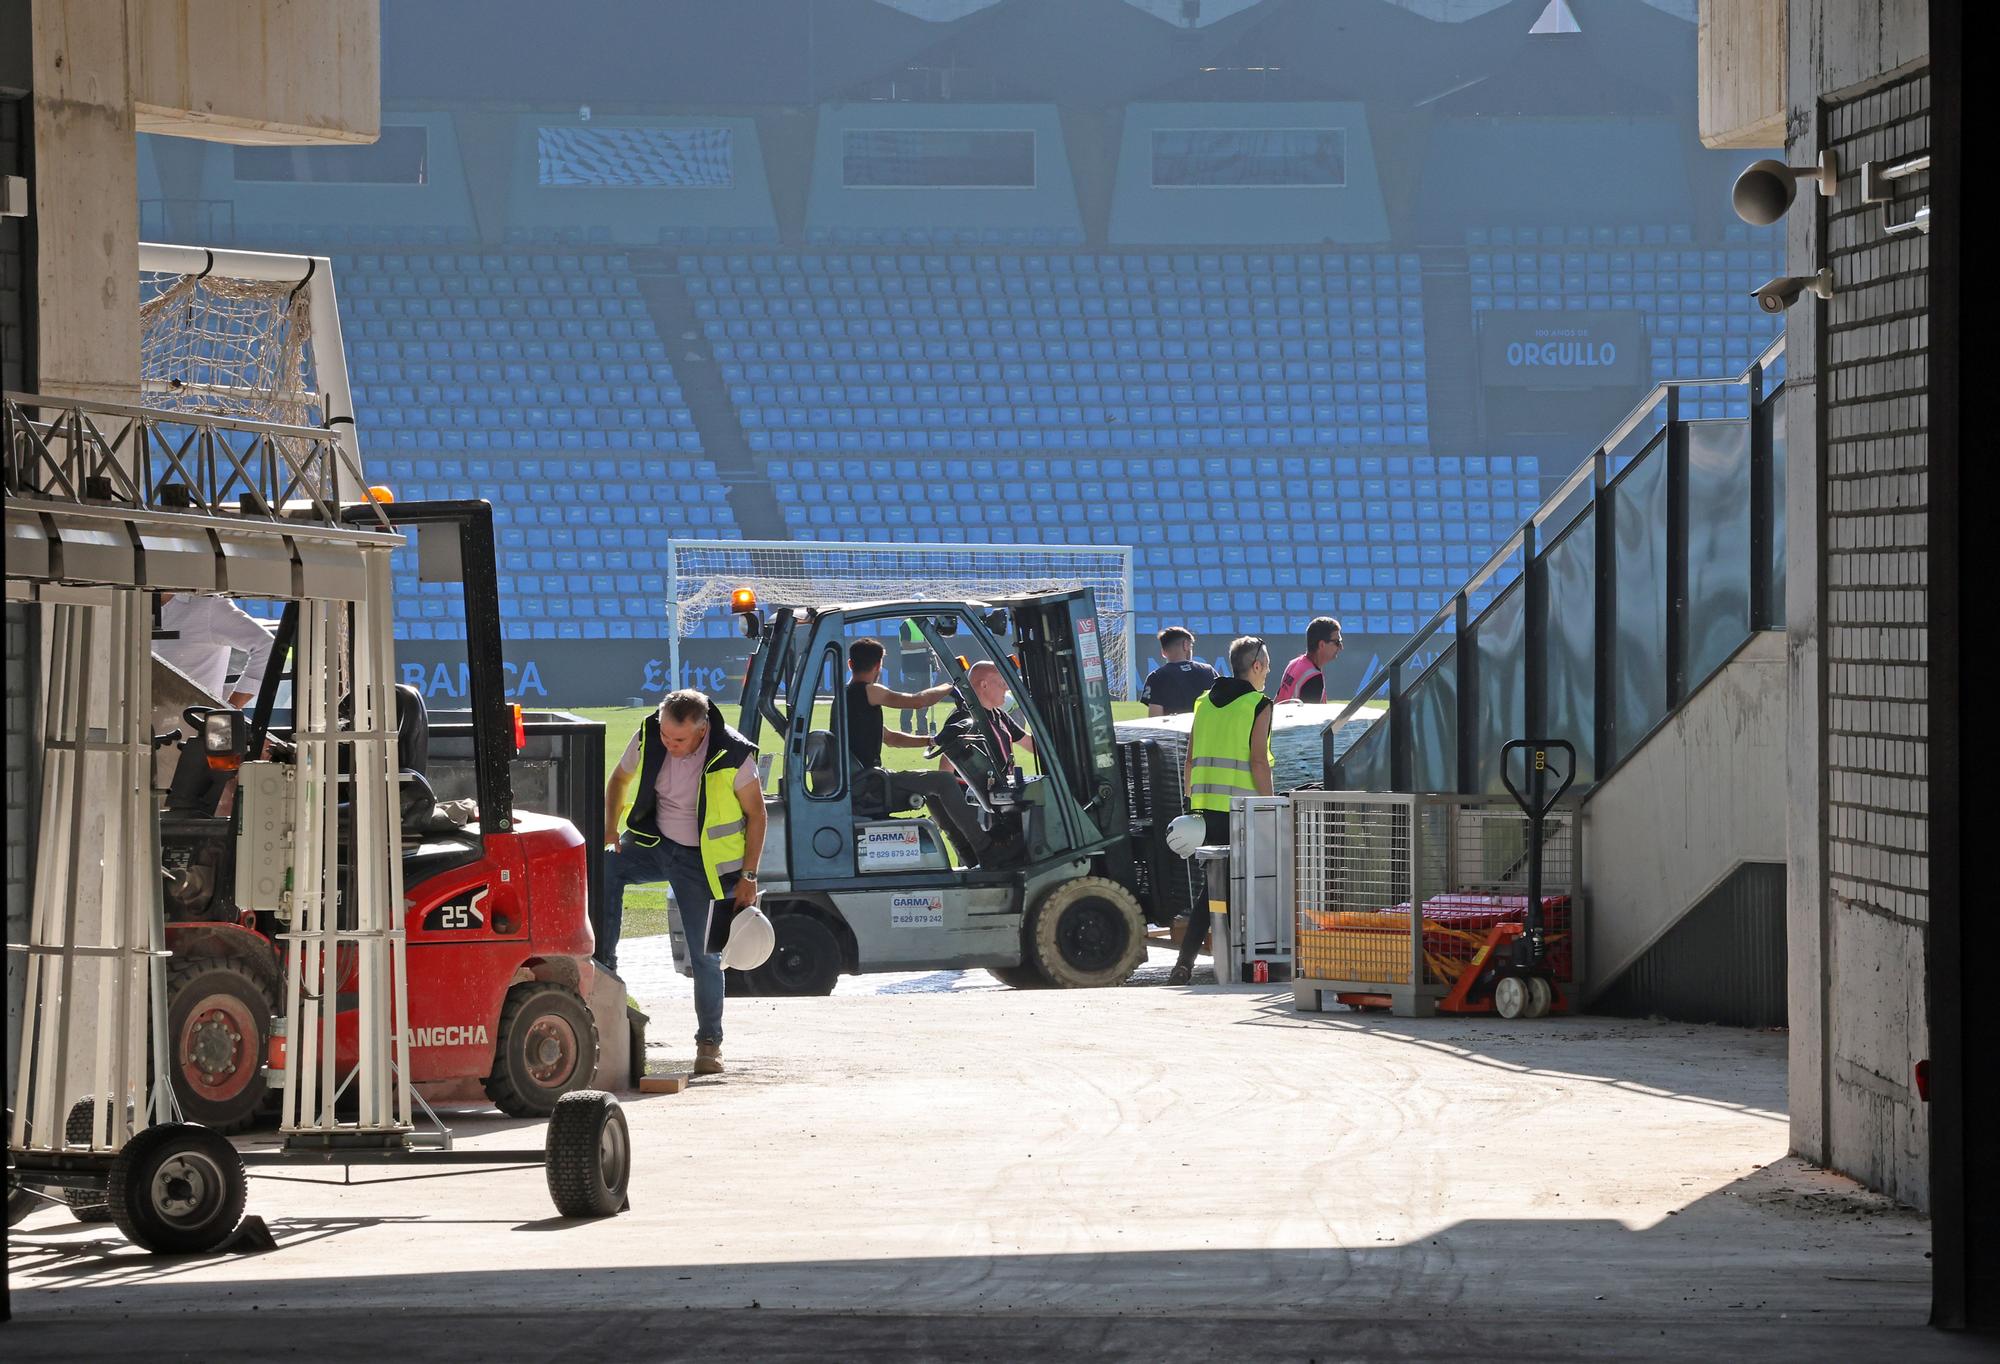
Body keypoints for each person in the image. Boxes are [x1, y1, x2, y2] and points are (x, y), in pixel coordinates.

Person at [600, 688, 766, 1075]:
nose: (669, 744)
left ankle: (709, 1043)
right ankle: (605, 968)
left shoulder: (734, 754)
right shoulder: (649, 732)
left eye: (679, 740)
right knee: (606, 866)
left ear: (702, 729)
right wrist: (610, 828)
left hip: (703, 866)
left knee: (705, 957)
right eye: (665, 736)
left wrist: (748, 876)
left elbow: (758, 816)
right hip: (654, 844)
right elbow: (619, 779)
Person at [1171, 636, 1274, 986]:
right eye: (1268, 664)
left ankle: (1190, 962)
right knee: (1241, 887)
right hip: (1241, 811)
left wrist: (1191, 805)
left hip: (1203, 811)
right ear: (1257, 665)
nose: (1269, 671)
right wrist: (1271, 807)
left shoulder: (1204, 702)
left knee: (1215, 887)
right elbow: (1259, 761)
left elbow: (1189, 759)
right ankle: (1241, 963)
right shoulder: (1259, 705)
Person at [844, 639, 990, 862]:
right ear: (878, 666)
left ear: (850, 664)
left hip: (862, 779)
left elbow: (891, 738)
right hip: (870, 782)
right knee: (945, 781)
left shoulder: (847, 698)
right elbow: (918, 701)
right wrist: (951, 684)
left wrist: (932, 741)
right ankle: (985, 846)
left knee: (933, 788)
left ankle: (966, 854)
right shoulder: (868, 692)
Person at [153, 592, 277, 708]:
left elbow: (266, 647)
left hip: (196, 725)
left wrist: (231, 708)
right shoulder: (136, 605)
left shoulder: (206, 605)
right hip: (141, 724)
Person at [1140, 625, 1218, 717]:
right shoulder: (1208, 671)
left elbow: (1155, 719)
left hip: (1174, 730)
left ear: (1163, 652)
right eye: (1191, 645)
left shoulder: (1156, 677)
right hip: (1204, 730)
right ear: (1186, 645)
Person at [1275, 616, 1344, 704]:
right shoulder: (1314, 678)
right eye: (1337, 642)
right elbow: (1310, 716)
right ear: (1322, 645)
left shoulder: (1294, 663)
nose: (1341, 647)